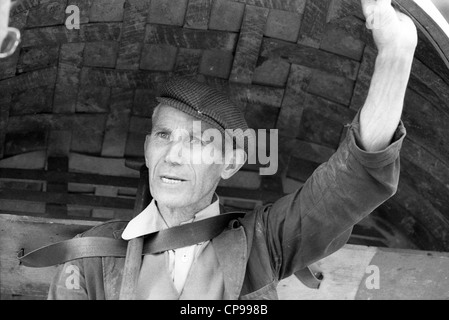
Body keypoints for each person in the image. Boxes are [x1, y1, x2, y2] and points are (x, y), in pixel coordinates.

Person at [47, 0, 417, 300]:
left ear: (231, 162)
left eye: (197, 141)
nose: (173, 155)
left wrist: (394, 56)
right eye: (163, 136)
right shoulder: (91, 255)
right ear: (147, 148)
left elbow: (347, 186)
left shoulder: (261, 242)